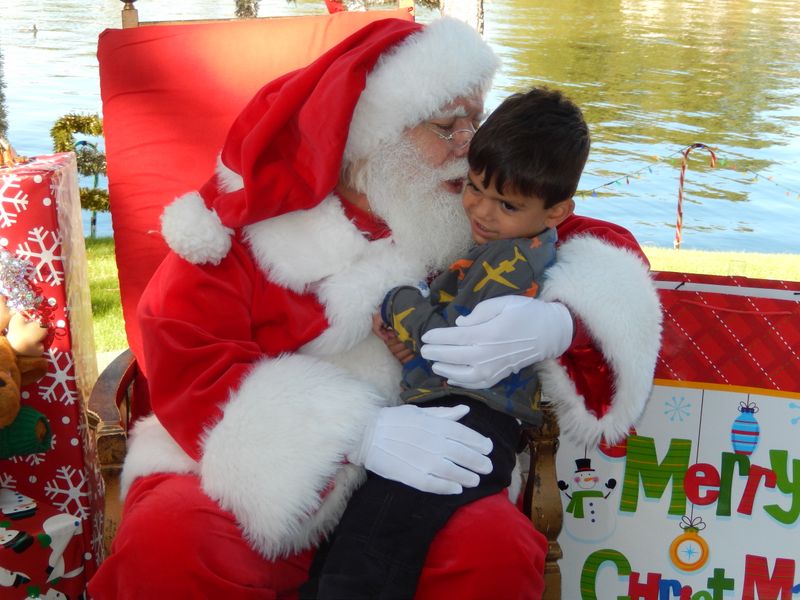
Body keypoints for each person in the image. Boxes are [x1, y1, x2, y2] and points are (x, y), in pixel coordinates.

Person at [88, 17, 662, 600]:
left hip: (426, 458)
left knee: (492, 548)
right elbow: (189, 356)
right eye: (447, 124)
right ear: (374, 135)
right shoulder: (244, 226)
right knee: (171, 540)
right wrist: (350, 434)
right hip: (260, 462)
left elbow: (602, 249)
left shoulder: (475, 210)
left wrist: (562, 321)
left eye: (475, 119)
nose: (469, 143)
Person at [302, 86, 589, 599]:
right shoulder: (514, 233)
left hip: (467, 422)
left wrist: (397, 301)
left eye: (505, 203)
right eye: (474, 187)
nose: (480, 210)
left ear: (557, 211)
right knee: (358, 540)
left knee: (372, 550)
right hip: (450, 409)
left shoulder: (508, 260)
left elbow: (442, 338)